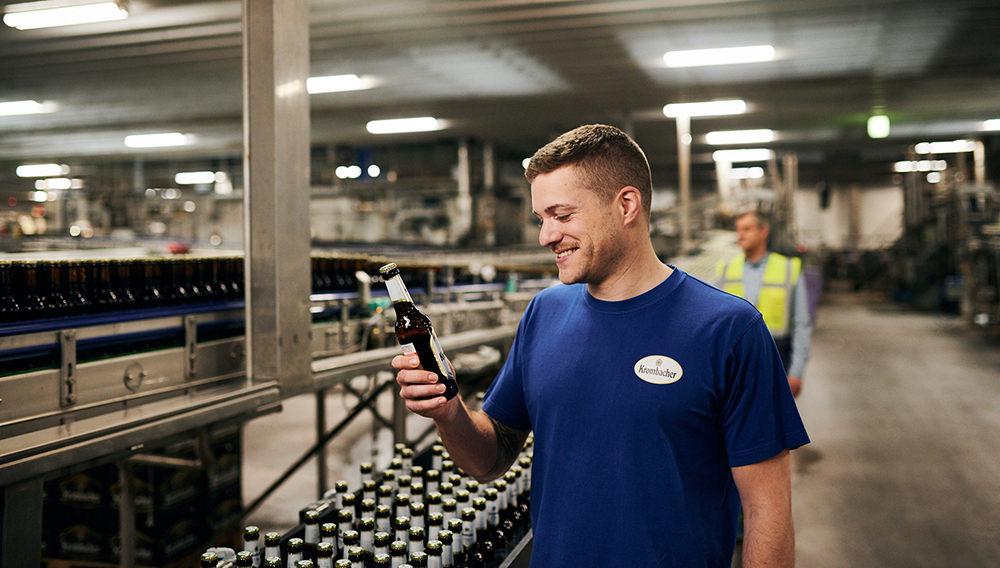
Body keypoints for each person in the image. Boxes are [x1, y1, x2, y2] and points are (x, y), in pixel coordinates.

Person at [392, 124, 809, 567]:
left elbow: (769, 513)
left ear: (626, 205)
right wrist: (449, 413)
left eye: (562, 215)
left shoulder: (729, 330)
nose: (545, 236)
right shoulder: (544, 314)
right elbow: (489, 460)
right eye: (541, 219)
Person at [716, 210, 812, 397]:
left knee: (773, 422)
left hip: (776, 357)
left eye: (747, 228)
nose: (740, 234)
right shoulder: (726, 270)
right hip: (735, 359)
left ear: (764, 231)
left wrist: (796, 372)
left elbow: (802, 324)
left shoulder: (788, 269)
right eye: (738, 229)